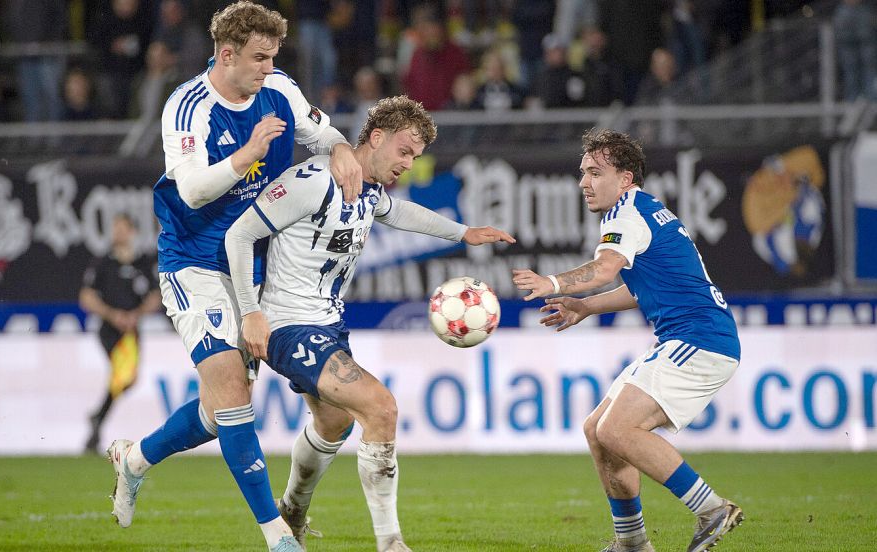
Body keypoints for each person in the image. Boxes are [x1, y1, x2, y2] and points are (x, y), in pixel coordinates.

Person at [105, 2, 361, 551]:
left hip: (253, 264)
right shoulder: (188, 108)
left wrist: (339, 147)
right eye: (260, 58)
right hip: (193, 261)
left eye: (274, 57)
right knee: (227, 385)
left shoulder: (279, 90)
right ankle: (278, 538)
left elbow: (321, 131)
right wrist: (248, 152)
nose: (269, 68)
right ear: (226, 55)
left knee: (225, 412)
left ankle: (134, 458)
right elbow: (194, 190)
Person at [224, 95, 515, 552]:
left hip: (328, 324)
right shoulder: (314, 180)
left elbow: (399, 213)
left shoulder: (369, 189)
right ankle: (390, 542)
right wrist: (251, 312)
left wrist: (464, 233)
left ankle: (292, 512)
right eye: (403, 151)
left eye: (415, 157)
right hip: (288, 325)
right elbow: (240, 234)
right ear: (375, 138)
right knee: (381, 407)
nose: (408, 163)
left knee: (334, 423)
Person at [512, 128, 744, 552]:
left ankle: (711, 509)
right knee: (597, 431)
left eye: (595, 172)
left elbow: (604, 269)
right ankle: (632, 543)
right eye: (582, 172)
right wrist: (585, 307)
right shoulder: (642, 210)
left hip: (700, 338)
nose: (584, 182)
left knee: (618, 428)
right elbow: (642, 287)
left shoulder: (626, 213)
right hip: (689, 338)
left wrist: (551, 281)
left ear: (625, 178)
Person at [79, 213, 162, 454]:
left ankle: (97, 419)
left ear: (132, 232)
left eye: (122, 229)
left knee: (127, 378)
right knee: (122, 375)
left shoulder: (142, 263)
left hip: (132, 330)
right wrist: (113, 314)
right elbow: (87, 297)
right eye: (115, 229)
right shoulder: (103, 262)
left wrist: (135, 314)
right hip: (109, 329)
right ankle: (96, 422)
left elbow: (155, 297)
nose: (118, 233)